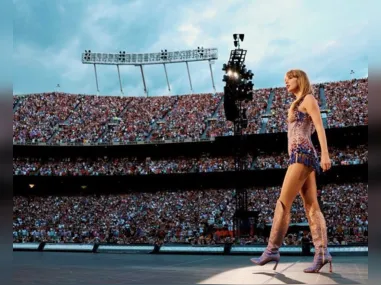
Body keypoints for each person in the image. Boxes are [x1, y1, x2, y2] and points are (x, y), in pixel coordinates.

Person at [250, 69, 333, 273]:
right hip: (301, 155)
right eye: (284, 80)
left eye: (289, 78)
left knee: (283, 202)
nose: (285, 82)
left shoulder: (308, 99)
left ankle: (272, 250)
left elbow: (320, 128)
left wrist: (325, 154)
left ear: (300, 79)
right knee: (311, 206)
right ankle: (322, 253)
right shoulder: (296, 103)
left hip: (302, 153)